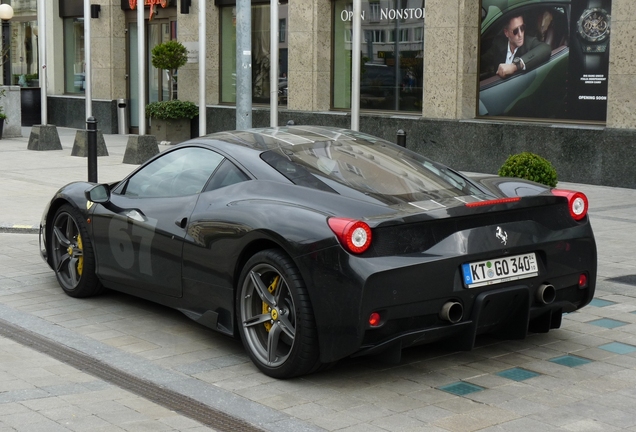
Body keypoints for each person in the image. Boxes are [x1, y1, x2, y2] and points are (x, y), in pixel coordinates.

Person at [481, 15, 551, 79]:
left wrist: (515, 66)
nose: (520, 34)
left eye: (522, 28)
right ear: (506, 33)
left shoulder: (529, 42)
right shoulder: (499, 44)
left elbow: (546, 48)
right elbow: (482, 61)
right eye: (515, 31)